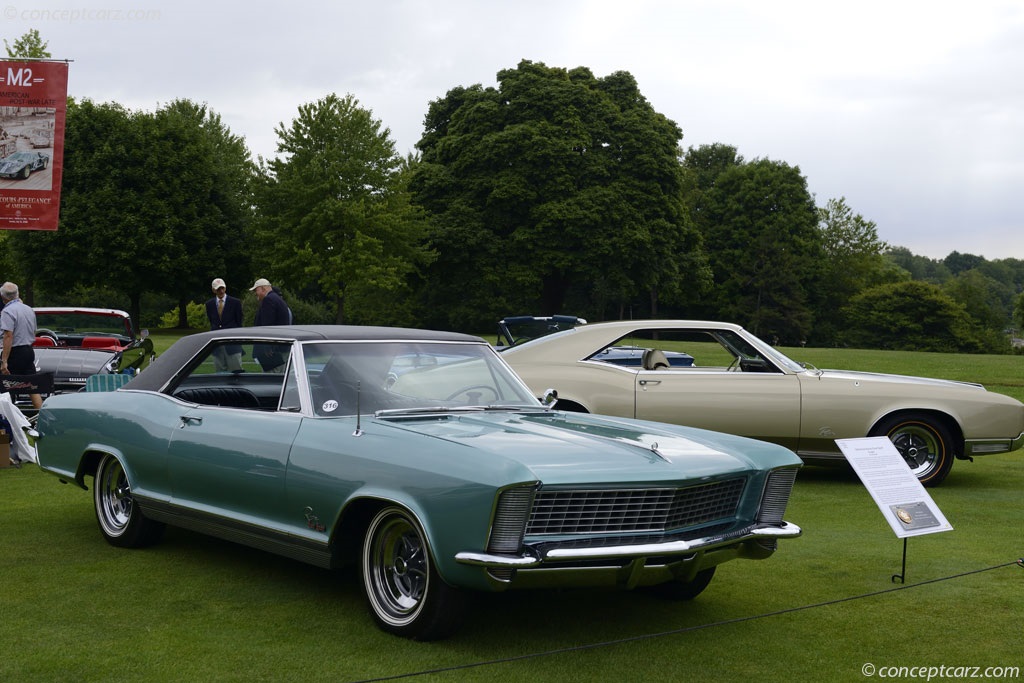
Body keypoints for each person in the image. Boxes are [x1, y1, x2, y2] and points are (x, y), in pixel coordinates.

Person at [0, 282, 42, 410]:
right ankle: (41, 417)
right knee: (32, 386)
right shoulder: (29, 309)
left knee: (5, 387)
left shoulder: (7, 311)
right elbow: (33, 331)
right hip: (28, 351)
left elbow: (8, 336)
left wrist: (4, 361)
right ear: (17, 293)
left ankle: (8, 422)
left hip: (15, 352)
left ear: (3, 297)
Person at [249, 278, 290, 372]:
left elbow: (267, 326)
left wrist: (267, 346)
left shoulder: (269, 300)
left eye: (256, 290)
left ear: (263, 288)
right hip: (280, 348)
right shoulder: (276, 298)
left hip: (273, 351)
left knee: (272, 380)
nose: (255, 293)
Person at [206, 277, 244, 372]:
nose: (221, 291)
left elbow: (239, 322)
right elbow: (212, 321)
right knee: (220, 373)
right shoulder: (209, 304)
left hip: (232, 343)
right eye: (218, 289)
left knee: (236, 372)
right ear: (213, 290)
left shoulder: (235, 303)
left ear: (225, 288)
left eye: (222, 288)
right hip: (217, 345)